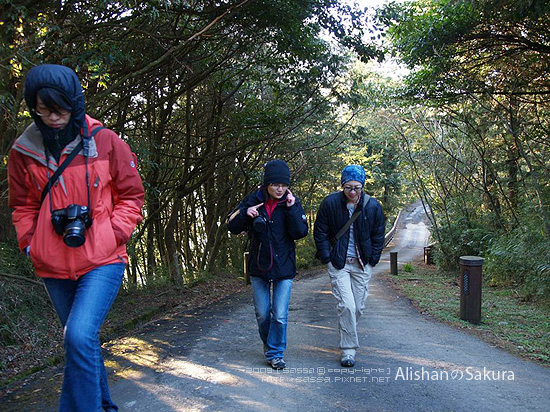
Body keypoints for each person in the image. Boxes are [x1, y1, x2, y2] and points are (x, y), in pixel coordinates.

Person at [8, 64, 144, 411]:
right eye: (44, 109)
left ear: (75, 103)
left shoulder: (105, 141)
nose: (53, 117)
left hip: (102, 259)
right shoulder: (23, 152)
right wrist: (29, 241)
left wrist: (113, 233)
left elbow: (132, 195)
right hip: (52, 263)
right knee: (81, 343)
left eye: (61, 109)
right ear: (32, 106)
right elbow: (22, 204)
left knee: (79, 335)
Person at [227, 160, 308, 369]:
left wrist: (291, 209)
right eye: (275, 185)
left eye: (283, 185)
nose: (280, 189)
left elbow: (301, 232)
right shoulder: (253, 200)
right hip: (259, 265)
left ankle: (275, 353)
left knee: (279, 314)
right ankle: (268, 345)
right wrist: (246, 213)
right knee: (263, 313)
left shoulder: (292, 202)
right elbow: (231, 224)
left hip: (284, 268)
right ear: (266, 184)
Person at [313, 165, 385, 367]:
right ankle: (348, 350)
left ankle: (347, 339)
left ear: (362, 186)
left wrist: (373, 260)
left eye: (357, 188)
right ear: (342, 186)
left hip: (362, 264)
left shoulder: (373, 206)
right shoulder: (330, 203)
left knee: (358, 308)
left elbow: (378, 235)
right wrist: (328, 259)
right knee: (347, 305)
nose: (352, 192)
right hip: (339, 264)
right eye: (348, 187)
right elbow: (320, 233)